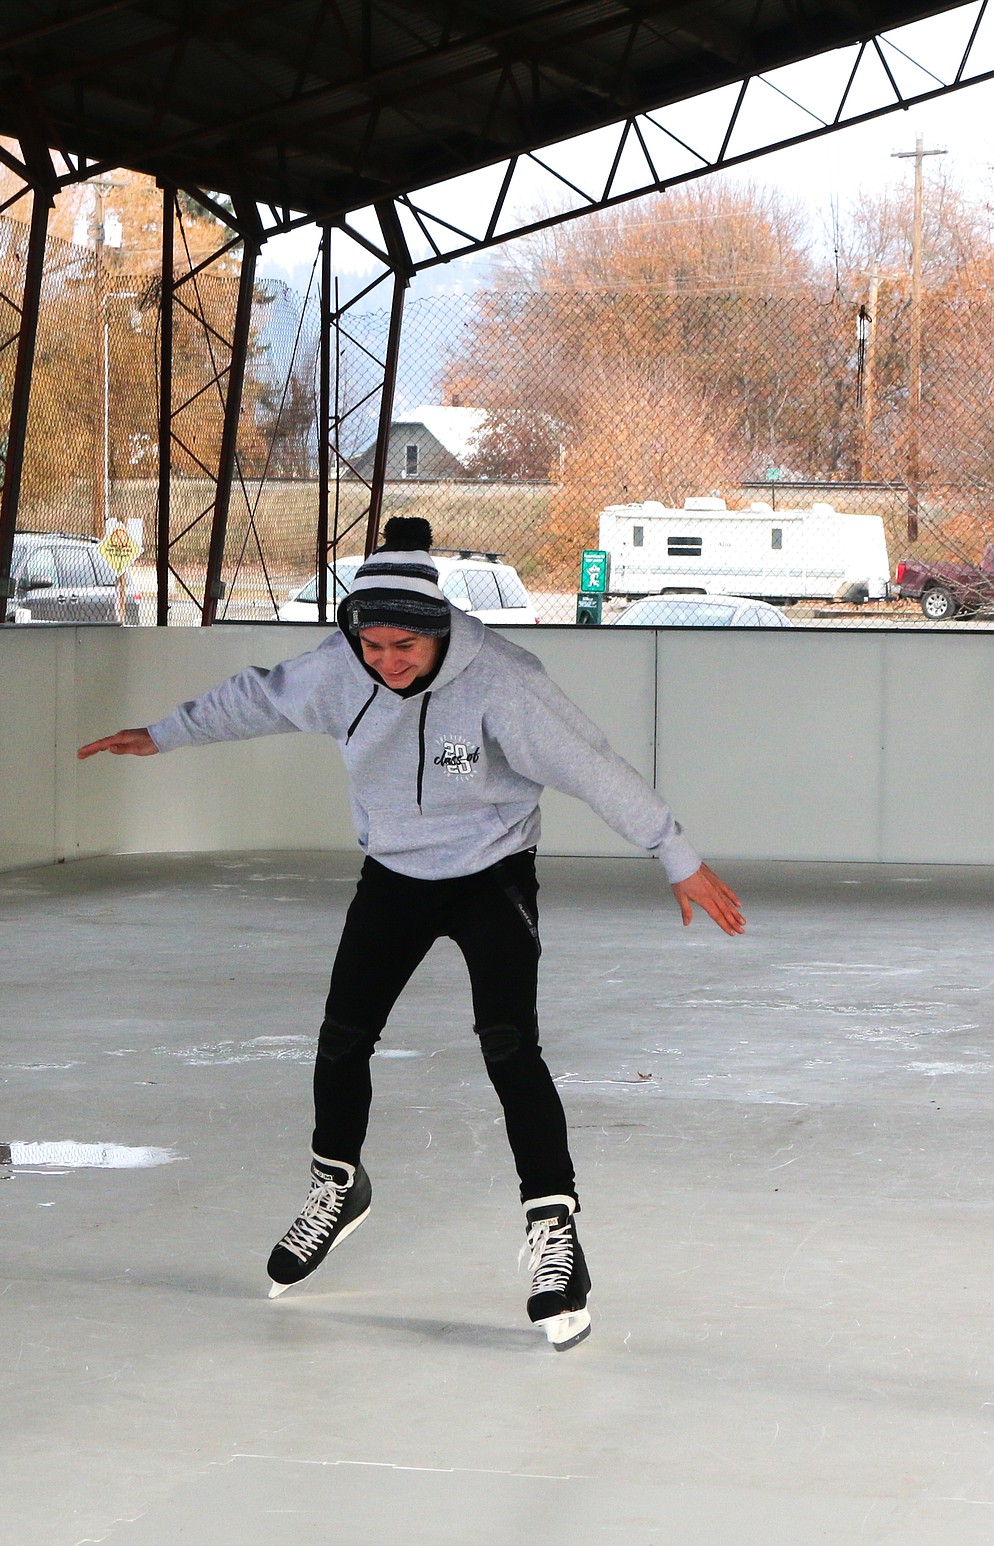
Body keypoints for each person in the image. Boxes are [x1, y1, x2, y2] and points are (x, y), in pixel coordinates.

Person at [78, 517, 743, 1352]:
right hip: (393, 874)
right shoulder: (339, 669)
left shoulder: (504, 682)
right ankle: (337, 1184)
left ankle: (554, 1231)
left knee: (510, 1046)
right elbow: (257, 697)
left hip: (490, 872)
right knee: (341, 1036)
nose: (387, 661)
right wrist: (165, 733)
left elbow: (593, 765)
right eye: (372, 644)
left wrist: (675, 854)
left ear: (437, 634)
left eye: (404, 647)